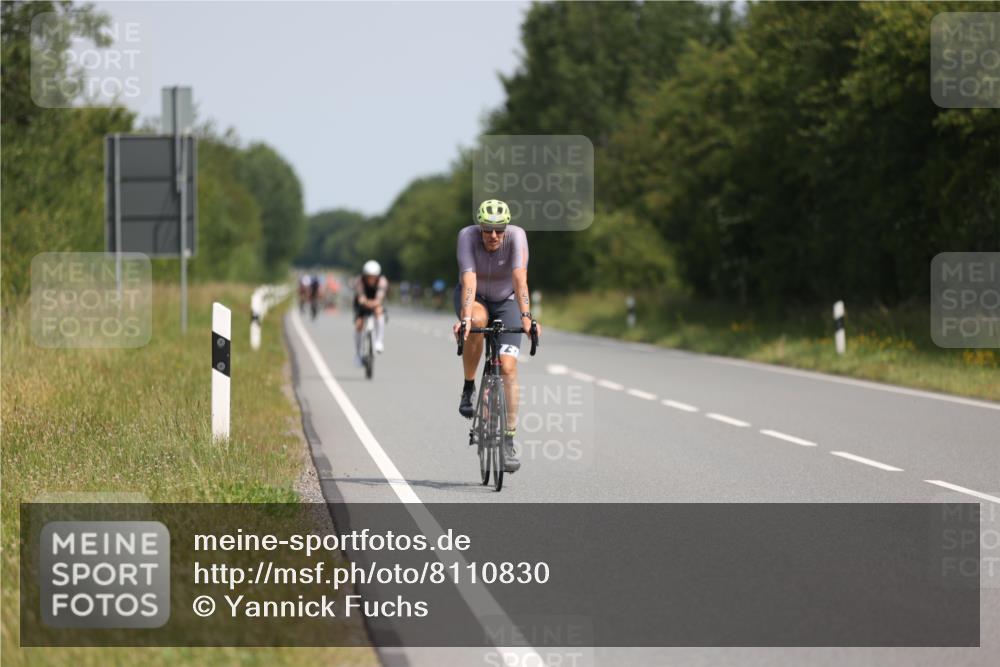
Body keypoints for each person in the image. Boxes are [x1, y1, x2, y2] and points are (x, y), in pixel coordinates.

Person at [452, 199, 541, 473]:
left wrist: (526, 317)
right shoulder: (467, 237)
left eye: (499, 230)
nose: (493, 236)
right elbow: (469, 280)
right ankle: (469, 387)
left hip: (507, 300)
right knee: (477, 322)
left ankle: (509, 439)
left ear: (506, 227)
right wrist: (465, 318)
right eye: (487, 229)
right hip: (475, 298)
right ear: (479, 227)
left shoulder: (516, 236)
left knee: (508, 367)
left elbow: (519, 278)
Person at [352, 260, 389, 364]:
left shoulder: (382, 281)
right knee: (359, 324)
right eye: (369, 276)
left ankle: (379, 341)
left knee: (378, 311)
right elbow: (361, 296)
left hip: (375, 301)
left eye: (374, 277)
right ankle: (358, 353)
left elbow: (380, 297)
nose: (371, 279)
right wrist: (364, 301)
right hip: (362, 302)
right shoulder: (359, 281)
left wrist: (374, 303)